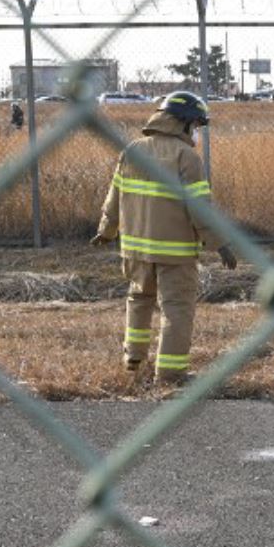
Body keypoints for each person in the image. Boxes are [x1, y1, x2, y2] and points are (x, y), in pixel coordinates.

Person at [91, 90, 236, 385]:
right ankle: (170, 373)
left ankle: (134, 362)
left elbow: (114, 197)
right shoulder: (186, 157)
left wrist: (105, 232)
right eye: (195, 126)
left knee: (139, 300)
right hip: (175, 254)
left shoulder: (131, 150)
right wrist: (220, 244)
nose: (195, 133)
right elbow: (200, 209)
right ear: (182, 123)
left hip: (134, 252)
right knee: (177, 309)